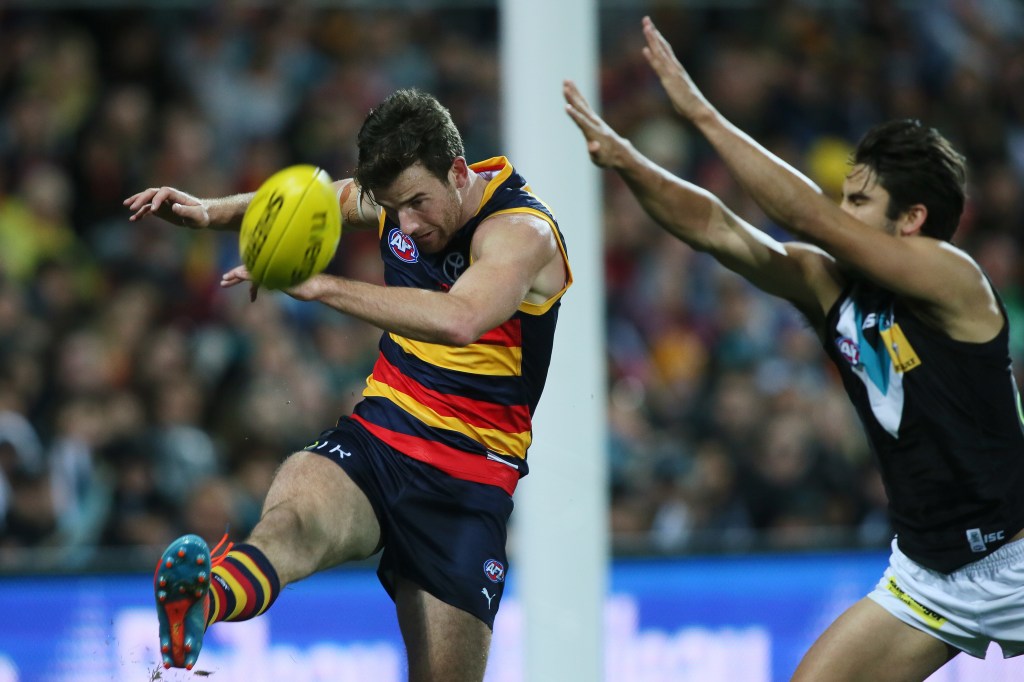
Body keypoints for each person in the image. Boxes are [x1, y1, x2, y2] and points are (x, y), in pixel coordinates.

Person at [564, 15, 1024, 682]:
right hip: (929, 572)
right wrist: (630, 163)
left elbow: (807, 214)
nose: (842, 212)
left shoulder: (957, 281)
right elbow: (718, 228)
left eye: (859, 201)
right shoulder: (828, 285)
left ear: (913, 220)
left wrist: (701, 113)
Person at [125, 88, 572, 681]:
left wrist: (322, 286)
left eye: (417, 203)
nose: (406, 223)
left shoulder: (521, 232)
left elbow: (461, 319)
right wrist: (209, 213)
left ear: (459, 171)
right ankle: (205, 602)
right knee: (292, 523)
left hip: (468, 484)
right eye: (391, 207)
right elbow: (308, 203)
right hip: (381, 436)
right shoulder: (395, 198)